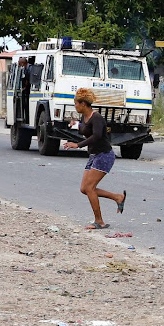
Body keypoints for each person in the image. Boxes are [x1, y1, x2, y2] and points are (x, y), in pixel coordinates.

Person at [63, 87, 126, 229]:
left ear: (83, 104)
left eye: (76, 103)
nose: (75, 106)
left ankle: (99, 221)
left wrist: (77, 145)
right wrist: (76, 125)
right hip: (94, 155)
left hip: (104, 155)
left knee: (89, 188)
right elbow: (86, 129)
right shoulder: (85, 117)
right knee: (84, 189)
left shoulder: (96, 117)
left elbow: (96, 136)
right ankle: (117, 197)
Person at [18, 57, 31, 123]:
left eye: (20, 64)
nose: (19, 65)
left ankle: (27, 120)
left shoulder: (29, 69)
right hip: (26, 90)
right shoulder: (26, 68)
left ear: (23, 63)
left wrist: (24, 88)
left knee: (27, 106)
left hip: (28, 91)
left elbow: (28, 80)